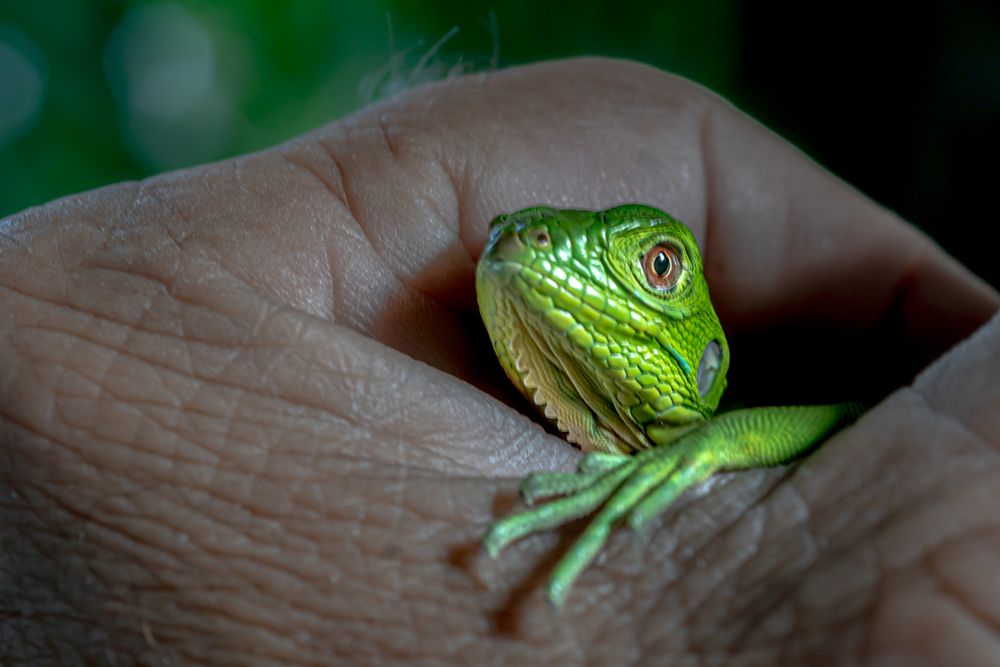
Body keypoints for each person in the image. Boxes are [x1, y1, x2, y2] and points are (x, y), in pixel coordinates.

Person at [2, 58, 997, 665]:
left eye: (655, 267)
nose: (529, 254)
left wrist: (699, 454)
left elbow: (847, 418)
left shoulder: (753, 426)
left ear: (707, 357)